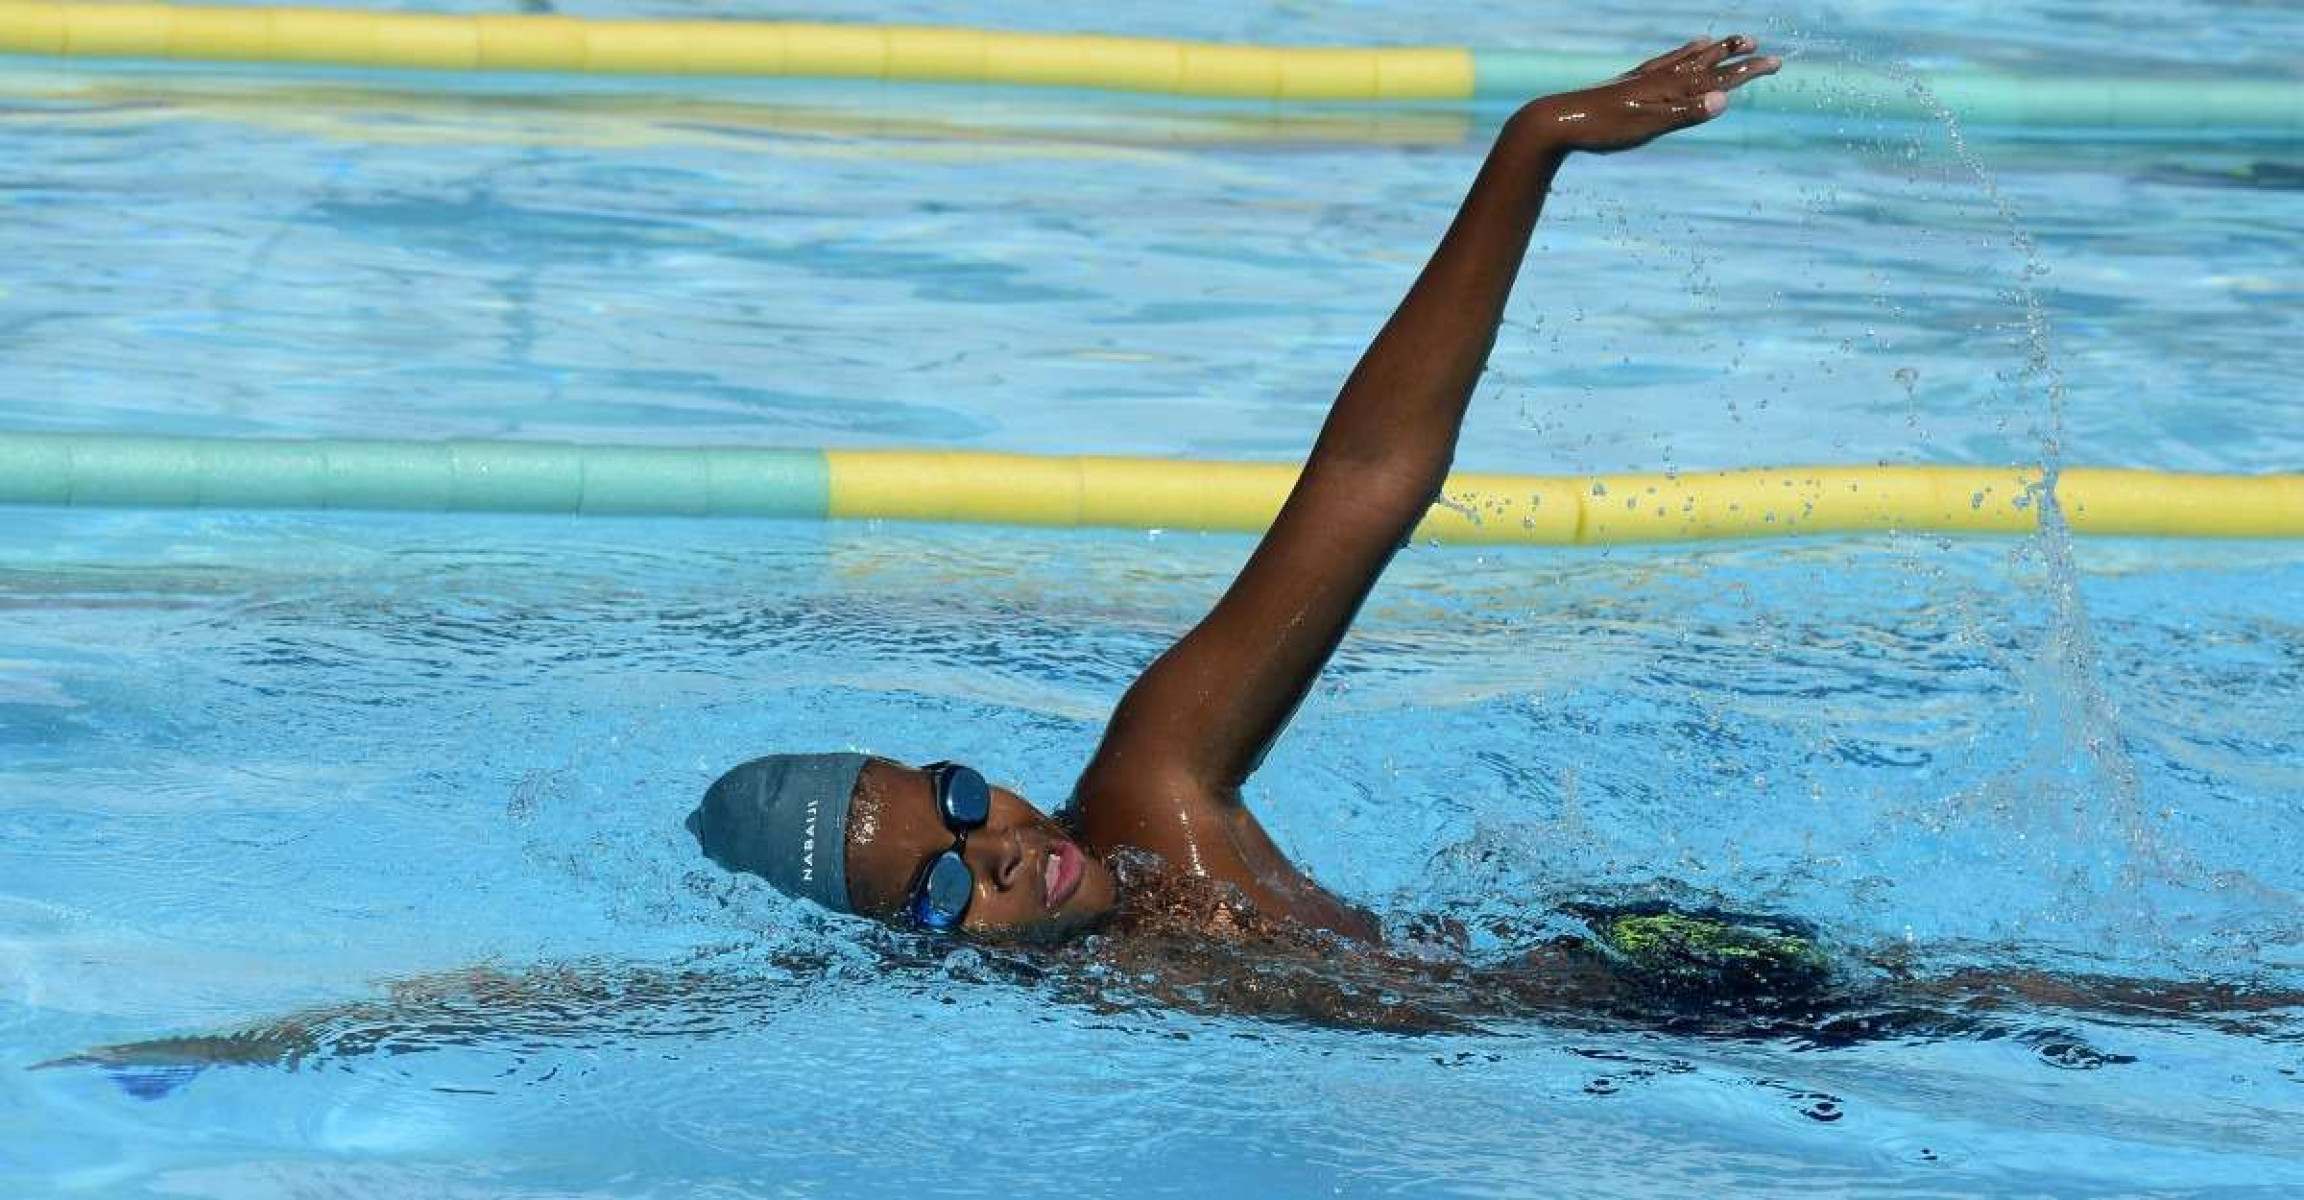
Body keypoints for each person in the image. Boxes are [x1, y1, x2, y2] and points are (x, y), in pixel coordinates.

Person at [691, 34, 1785, 949]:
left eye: (962, 800)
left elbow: (1367, 482)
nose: (1003, 848)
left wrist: (1530, 147)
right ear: (907, 954)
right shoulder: (1075, 999)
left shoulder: (1153, 793)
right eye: (942, 887)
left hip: (1679, 997)